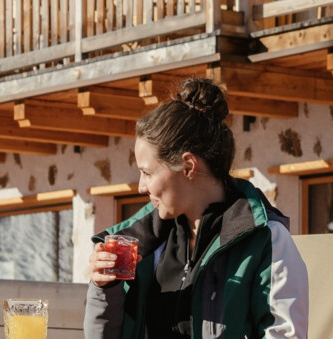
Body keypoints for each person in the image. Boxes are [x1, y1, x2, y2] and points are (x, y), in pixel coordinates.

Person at [84, 78, 307, 339]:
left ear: (188, 166)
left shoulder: (267, 241)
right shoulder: (143, 243)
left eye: (147, 173)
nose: (141, 188)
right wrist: (105, 289)